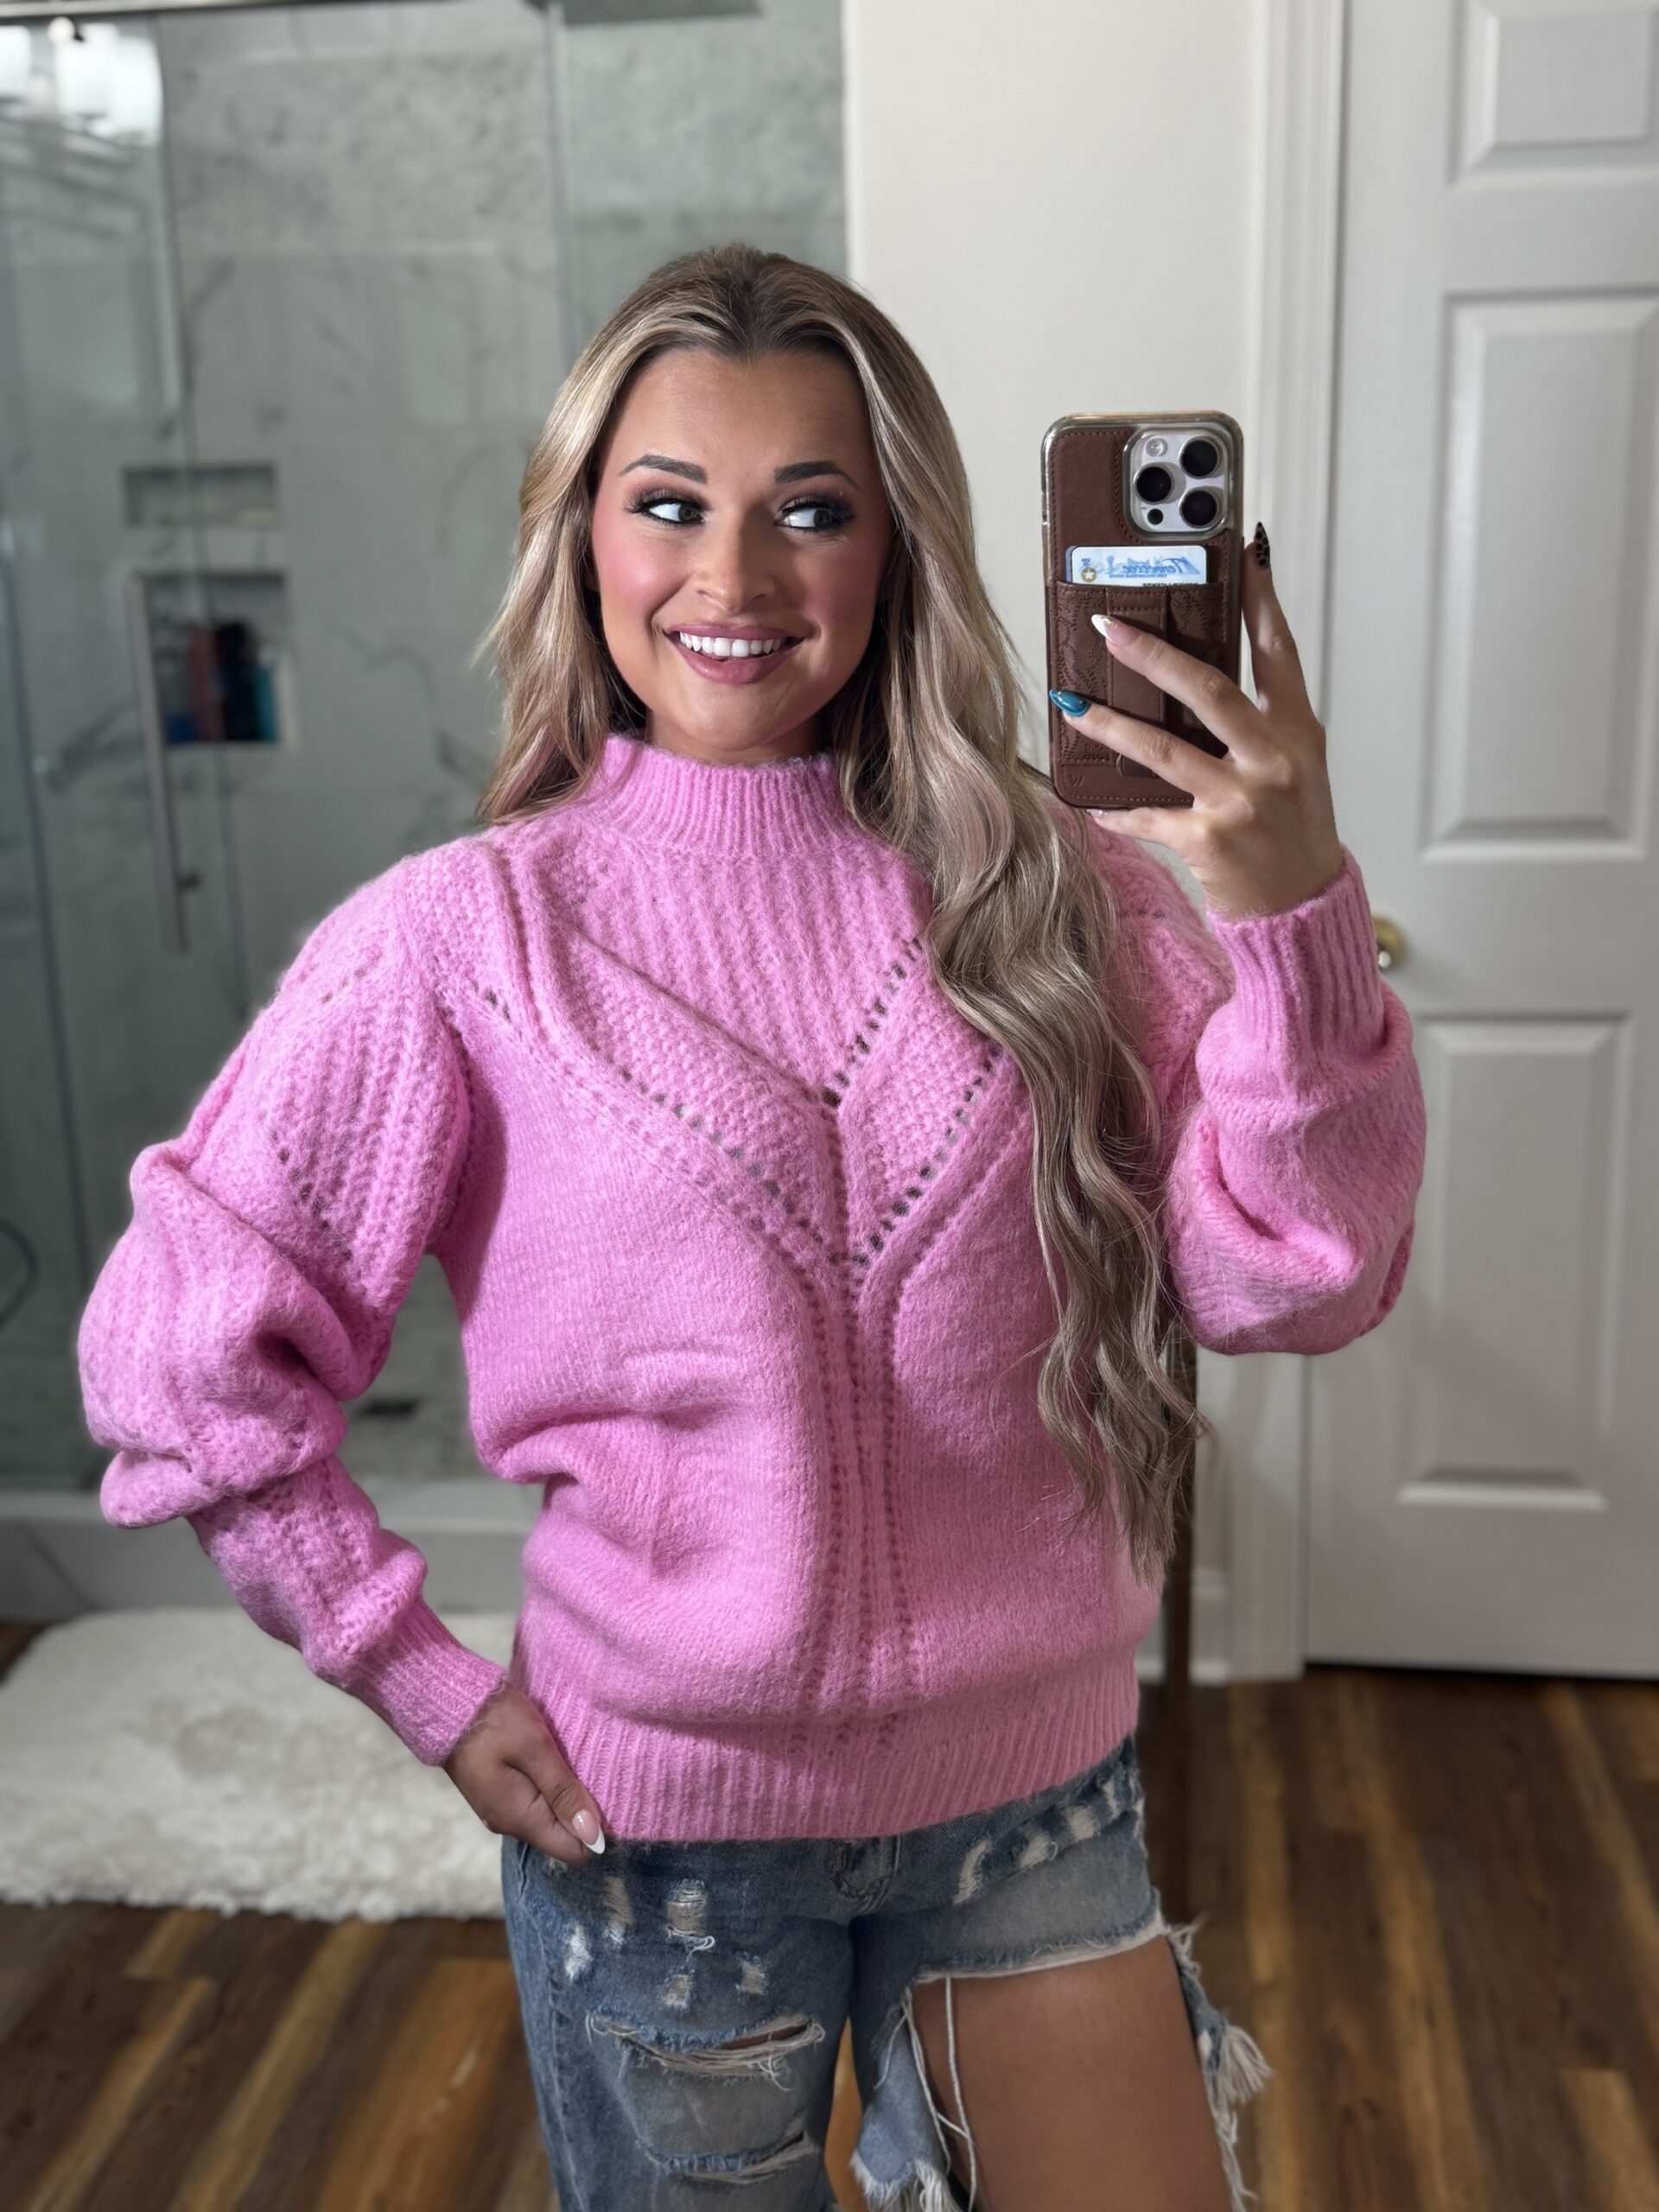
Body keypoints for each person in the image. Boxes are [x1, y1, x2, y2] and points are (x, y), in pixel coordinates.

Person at [77, 242, 1426, 2211]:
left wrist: (1292, 906)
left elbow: (1297, 1277)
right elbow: (182, 1357)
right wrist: (415, 1672)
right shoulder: (458, 941)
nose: (734, 575)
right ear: (582, 538)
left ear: (897, 549)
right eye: (668, 503)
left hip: (1035, 1807)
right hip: (661, 1849)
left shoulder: (1068, 891)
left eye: (811, 509)